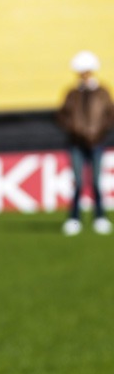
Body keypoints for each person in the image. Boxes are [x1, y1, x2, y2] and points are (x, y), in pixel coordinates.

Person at [56, 50, 114, 236]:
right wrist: (75, 130)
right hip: (76, 143)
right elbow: (62, 116)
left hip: (97, 142)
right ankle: (74, 218)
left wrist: (99, 133)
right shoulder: (72, 93)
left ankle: (100, 217)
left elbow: (109, 115)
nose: (84, 75)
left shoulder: (102, 92)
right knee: (79, 182)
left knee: (96, 182)